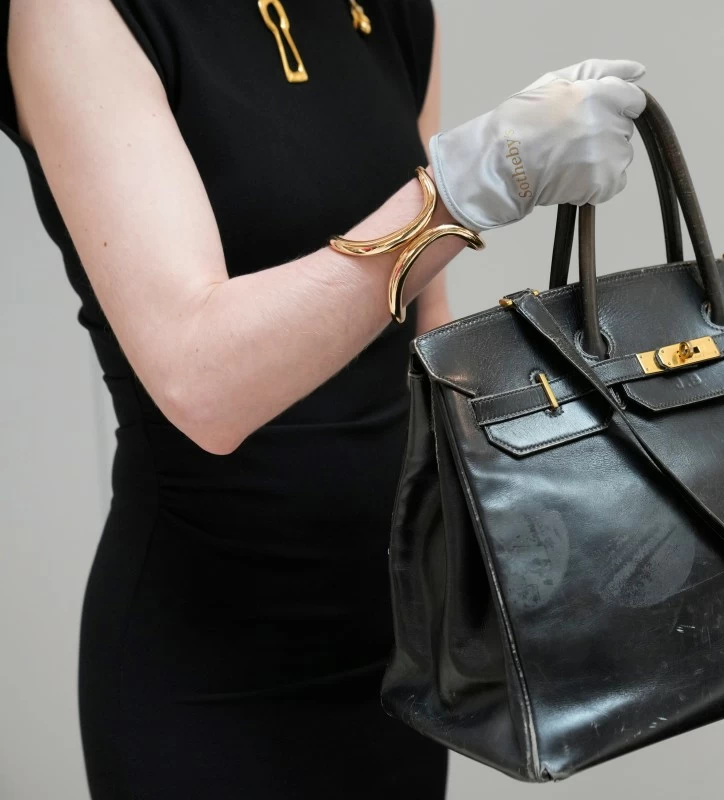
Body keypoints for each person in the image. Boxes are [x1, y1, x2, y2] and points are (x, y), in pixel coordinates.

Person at [0, 0, 646, 796]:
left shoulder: (393, 10)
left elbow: (425, 341)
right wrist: (459, 190)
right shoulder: (77, 13)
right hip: (207, 674)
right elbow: (201, 381)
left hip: (399, 656)